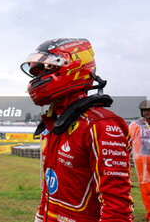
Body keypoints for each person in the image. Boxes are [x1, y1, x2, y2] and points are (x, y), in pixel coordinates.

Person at [20, 38, 134, 221]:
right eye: (36, 72)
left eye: (45, 68)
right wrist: (40, 216)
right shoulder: (52, 124)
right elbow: (50, 184)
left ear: (71, 66)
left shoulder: (101, 125)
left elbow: (117, 207)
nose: (38, 77)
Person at [130, 100, 150, 221]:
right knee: (146, 189)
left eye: (149, 110)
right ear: (141, 112)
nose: (147, 112)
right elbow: (128, 140)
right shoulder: (135, 125)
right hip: (142, 162)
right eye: (145, 110)